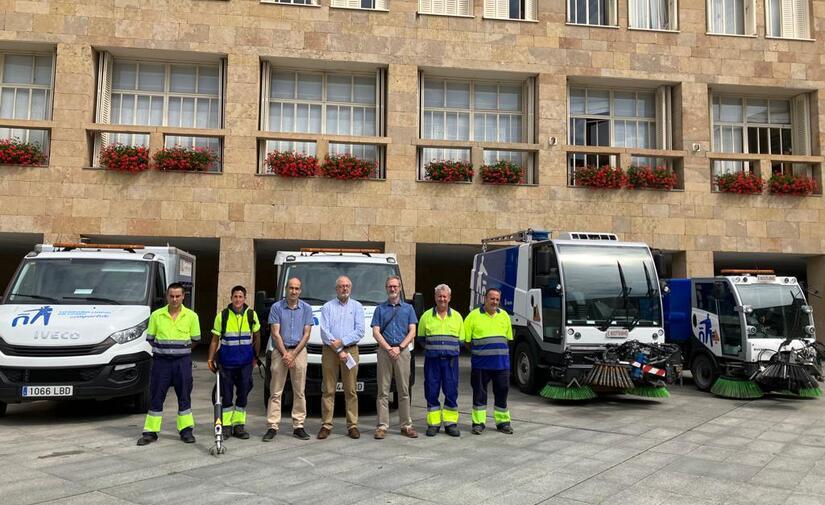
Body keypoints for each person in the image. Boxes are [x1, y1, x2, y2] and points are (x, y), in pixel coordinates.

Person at [137, 283, 201, 445]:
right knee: (156, 396)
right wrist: (165, 351)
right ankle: (150, 432)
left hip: (182, 363)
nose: (174, 299)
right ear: (167, 296)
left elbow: (195, 340)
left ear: (183, 296)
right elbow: (151, 338)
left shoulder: (192, 316)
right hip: (161, 363)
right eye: (171, 296)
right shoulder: (156, 315)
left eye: (177, 296)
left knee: (184, 397)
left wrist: (179, 351)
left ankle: (186, 431)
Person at [206, 285, 260, 440]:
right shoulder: (222, 316)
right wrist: (210, 358)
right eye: (235, 296)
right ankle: (227, 427)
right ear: (231, 298)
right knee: (227, 396)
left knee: (243, 394)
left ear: (244, 298)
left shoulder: (251, 314)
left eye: (240, 297)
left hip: (245, 363)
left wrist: (255, 357)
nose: (238, 299)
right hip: (226, 363)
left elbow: (257, 337)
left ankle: (239, 426)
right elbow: (215, 340)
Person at [263, 277, 313, 442]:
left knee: (299, 391)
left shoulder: (306, 308)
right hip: (280, 351)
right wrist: (286, 354)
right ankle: (272, 426)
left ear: (300, 290)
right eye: (291, 288)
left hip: (299, 352)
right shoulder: (276, 307)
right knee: (275, 392)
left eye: (297, 288)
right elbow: (275, 333)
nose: (294, 291)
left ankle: (298, 426)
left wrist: (293, 354)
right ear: (286, 289)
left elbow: (306, 334)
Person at [371, 275, 418, 439]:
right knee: (383, 391)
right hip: (385, 352)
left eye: (395, 286)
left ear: (399, 288)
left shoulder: (408, 309)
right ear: (386, 288)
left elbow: (413, 330)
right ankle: (382, 426)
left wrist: (400, 347)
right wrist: (388, 348)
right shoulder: (380, 309)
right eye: (390, 286)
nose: (392, 289)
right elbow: (376, 331)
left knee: (404, 390)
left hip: (402, 351)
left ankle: (406, 425)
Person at [318, 275, 365, 440]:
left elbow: (360, 331)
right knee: (328, 389)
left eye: (347, 286)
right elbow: (324, 332)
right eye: (341, 286)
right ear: (336, 289)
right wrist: (339, 350)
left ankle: (352, 425)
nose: (344, 288)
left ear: (350, 288)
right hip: (331, 352)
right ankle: (326, 425)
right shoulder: (327, 307)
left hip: (351, 351)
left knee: (351, 390)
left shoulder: (358, 307)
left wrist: (343, 343)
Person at [463, 287, 514, 435]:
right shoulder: (473, 316)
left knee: (502, 393)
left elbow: (508, 340)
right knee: (479, 394)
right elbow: (466, 341)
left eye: (497, 299)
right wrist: (478, 352)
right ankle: (478, 423)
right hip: (481, 365)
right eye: (492, 299)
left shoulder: (504, 316)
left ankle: (503, 422)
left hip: (501, 365)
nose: (495, 302)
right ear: (485, 299)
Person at [417, 284, 463, 437]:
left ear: (449, 298)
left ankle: (450, 424)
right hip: (432, 361)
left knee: (451, 391)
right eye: (439, 296)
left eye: (445, 296)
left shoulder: (457, 317)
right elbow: (421, 339)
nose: (442, 299)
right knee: (431, 391)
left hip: (451, 362)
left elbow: (461, 340)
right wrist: (435, 349)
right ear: (435, 298)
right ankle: (434, 424)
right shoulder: (426, 317)